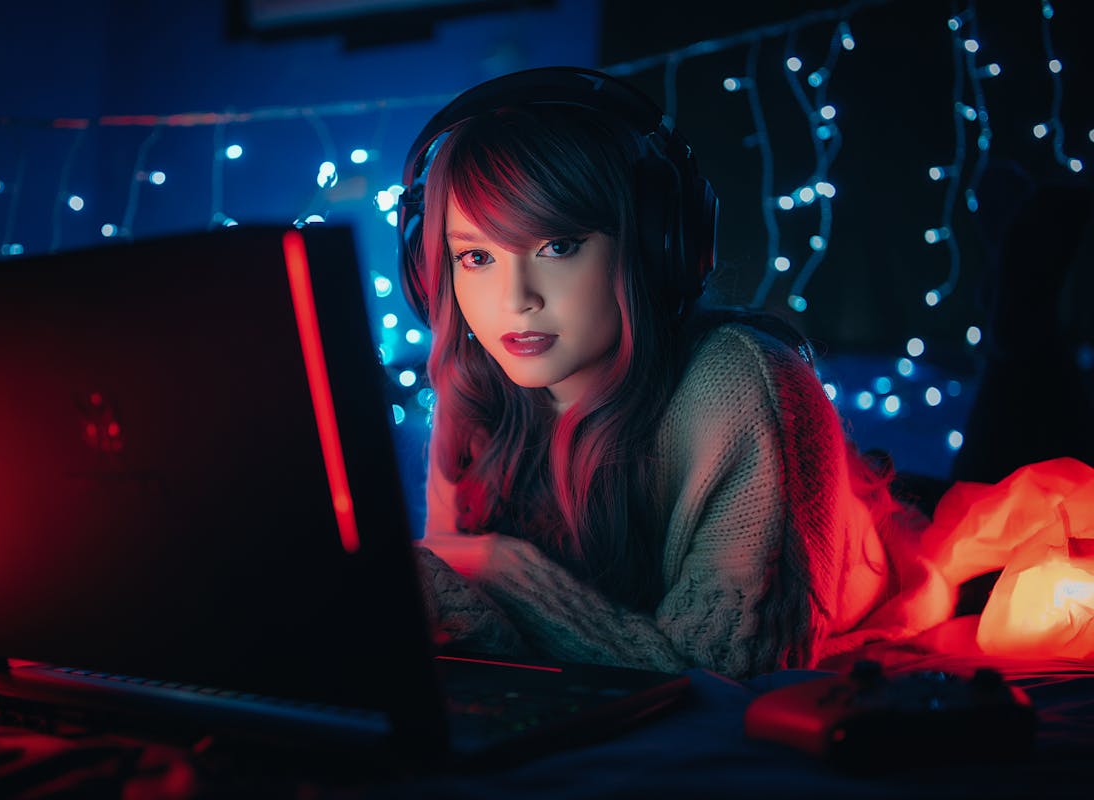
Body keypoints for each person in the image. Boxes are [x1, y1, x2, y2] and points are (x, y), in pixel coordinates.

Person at [397, 67, 949, 680]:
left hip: (892, 542)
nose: (515, 299)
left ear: (655, 244)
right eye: (476, 256)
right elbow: (469, 616)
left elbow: (716, 676)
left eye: (557, 246)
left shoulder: (744, 386)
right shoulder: (474, 385)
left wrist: (499, 568)